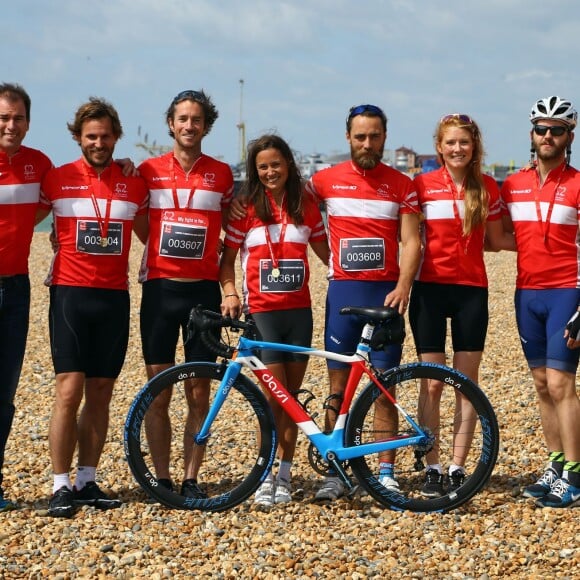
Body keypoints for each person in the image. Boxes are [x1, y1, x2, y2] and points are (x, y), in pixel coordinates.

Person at [39, 97, 149, 518]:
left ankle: (87, 480)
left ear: (116, 137)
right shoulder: (56, 178)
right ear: (77, 138)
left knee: (101, 392)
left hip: (114, 296)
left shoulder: (133, 183)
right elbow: (23, 216)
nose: (98, 143)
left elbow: (149, 235)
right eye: (90, 136)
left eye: (105, 136)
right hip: (70, 294)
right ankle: (59, 485)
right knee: (68, 389)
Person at [305, 104, 422, 500]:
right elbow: (290, 208)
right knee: (337, 385)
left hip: (385, 294)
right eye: (360, 137)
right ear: (348, 138)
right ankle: (336, 471)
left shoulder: (401, 184)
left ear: (385, 138)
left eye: (374, 136)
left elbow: (411, 241)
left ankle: (386, 472)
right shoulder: (323, 181)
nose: (367, 143)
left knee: (385, 385)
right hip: (343, 293)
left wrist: (404, 284)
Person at [410, 113, 516, 497]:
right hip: (429, 292)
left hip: (472, 290)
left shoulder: (487, 186)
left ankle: (458, 467)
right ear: (439, 147)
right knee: (432, 384)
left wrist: (549, 240)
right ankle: (433, 466)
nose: (457, 149)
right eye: (450, 142)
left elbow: (498, 239)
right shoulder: (421, 185)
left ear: (474, 148)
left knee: (466, 384)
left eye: (464, 143)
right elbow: (402, 237)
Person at [220, 134, 329, 506]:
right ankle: (266, 474)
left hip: (299, 312)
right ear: (254, 171)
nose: (270, 172)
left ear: (288, 165)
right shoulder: (246, 207)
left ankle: (285, 474)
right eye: (262, 166)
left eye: (276, 165)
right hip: (263, 312)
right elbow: (226, 260)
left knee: (292, 401)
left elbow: (326, 252)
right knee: (272, 398)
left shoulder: (306, 205)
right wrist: (231, 293)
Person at [137, 90, 234, 499]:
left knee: (199, 391)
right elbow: (140, 222)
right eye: (182, 119)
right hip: (160, 291)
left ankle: (191, 478)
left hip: (203, 295)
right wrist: (161, 249)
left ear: (206, 126)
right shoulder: (146, 170)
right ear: (171, 123)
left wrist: (228, 285)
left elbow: (234, 234)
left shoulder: (223, 174)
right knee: (158, 390)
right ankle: (162, 479)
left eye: (196, 120)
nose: (189, 126)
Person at [500, 96, 580, 509]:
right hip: (526, 293)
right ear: (532, 133)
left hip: (568, 290)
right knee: (540, 384)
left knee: (562, 384)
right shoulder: (512, 184)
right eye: (541, 129)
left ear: (571, 134)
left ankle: (575, 472)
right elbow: (495, 236)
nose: (548, 136)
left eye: (557, 130)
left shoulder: (579, 182)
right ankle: (554, 464)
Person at [0, 83, 53, 511]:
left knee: (4, 392)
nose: (10, 125)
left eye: (17, 117)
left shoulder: (39, 165)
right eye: (3, 117)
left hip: (16, 287)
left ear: (28, 122)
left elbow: (51, 203)